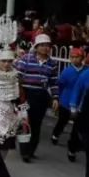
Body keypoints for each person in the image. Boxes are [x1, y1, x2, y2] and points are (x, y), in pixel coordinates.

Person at [14, 34, 58, 162]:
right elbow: (17, 77)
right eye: (43, 45)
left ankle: (31, 150)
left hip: (41, 97)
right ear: (37, 47)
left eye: (48, 46)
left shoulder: (52, 64)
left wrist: (55, 98)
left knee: (36, 125)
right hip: (26, 95)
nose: (45, 48)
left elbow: (54, 82)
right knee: (25, 123)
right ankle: (25, 152)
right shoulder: (26, 59)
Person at [51, 48, 89, 155]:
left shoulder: (87, 71)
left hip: (80, 103)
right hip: (65, 101)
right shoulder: (66, 71)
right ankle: (56, 134)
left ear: (82, 58)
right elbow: (60, 85)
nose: (74, 60)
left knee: (77, 127)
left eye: (77, 57)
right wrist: (58, 98)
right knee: (62, 121)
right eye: (72, 57)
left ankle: (72, 147)